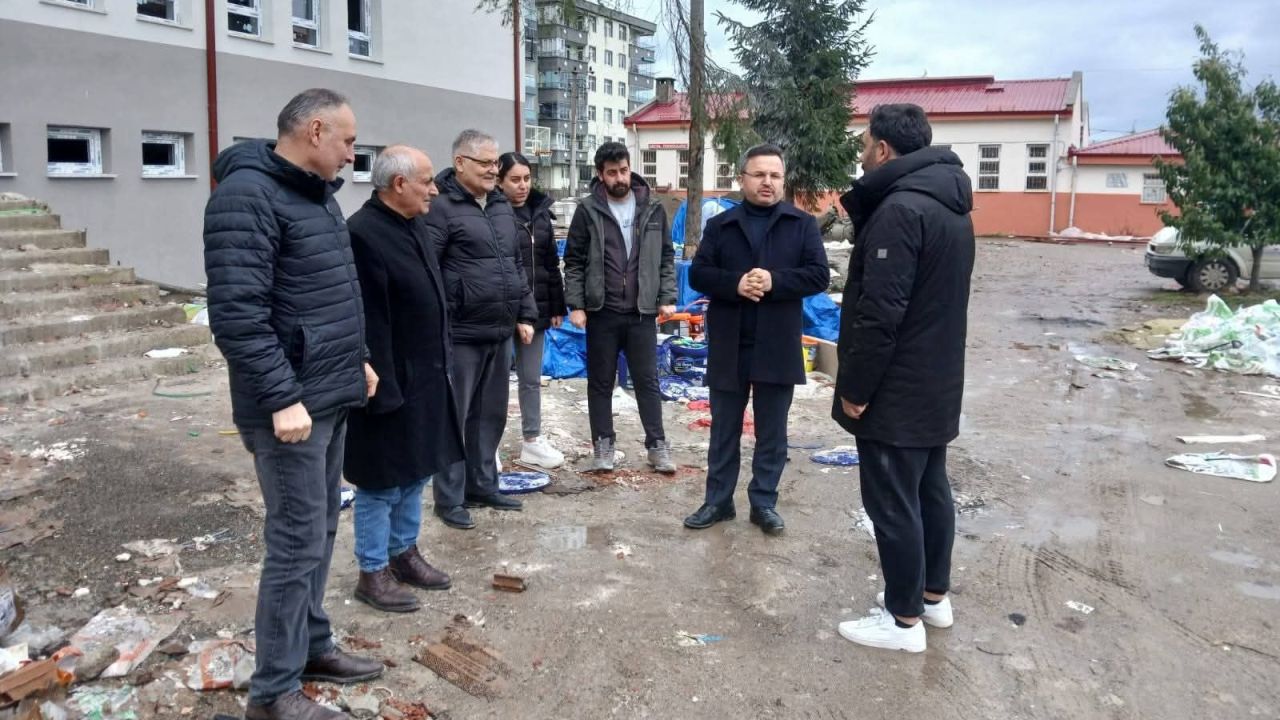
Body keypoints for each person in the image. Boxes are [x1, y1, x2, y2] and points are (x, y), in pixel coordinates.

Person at [204, 88, 383, 720]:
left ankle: (311, 646)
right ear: (314, 132)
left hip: (327, 395)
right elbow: (236, 316)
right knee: (294, 541)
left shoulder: (315, 197)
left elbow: (332, 292)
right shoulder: (247, 196)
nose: (353, 155)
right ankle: (274, 693)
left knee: (321, 531)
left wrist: (357, 357)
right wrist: (281, 397)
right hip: (289, 408)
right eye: (349, 141)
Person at [831, 103, 975, 653]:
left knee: (893, 500)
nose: (863, 153)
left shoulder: (900, 209)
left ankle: (902, 620)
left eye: (866, 143)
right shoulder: (951, 204)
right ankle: (933, 599)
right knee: (931, 490)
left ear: (884, 150)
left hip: (898, 385)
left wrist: (857, 389)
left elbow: (879, 314)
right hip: (936, 379)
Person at [683, 144, 829, 535]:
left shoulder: (800, 224)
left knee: (772, 432)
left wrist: (775, 281)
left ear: (783, 180)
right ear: (742, 178)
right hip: (730, 341)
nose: (768, 182)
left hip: (777, 344)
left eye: (775, 175)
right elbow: (698, 275)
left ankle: (763, 503)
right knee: (724, 429)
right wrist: (735, 283)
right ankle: (718, 501)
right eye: (759, 175)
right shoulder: (722, 226)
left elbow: (818, 276)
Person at [343, 146, 460, 612]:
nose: (435, 189)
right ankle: (372, 572)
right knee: (381, 482)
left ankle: (403, 553)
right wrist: (382, 385)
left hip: (426, 375)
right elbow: (369, 319)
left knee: (417, 470)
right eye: (427, 181)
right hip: (387, 382)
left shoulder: (414, 225)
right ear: (398, 185)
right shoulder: (363, 234)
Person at [425, 130, 538, 530]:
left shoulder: (502, 207)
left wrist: (525, 313)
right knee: (455, 417)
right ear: (460, 164)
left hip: (499, 328)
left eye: (495, 163)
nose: (495, 170)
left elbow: (515, 265)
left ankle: (483, 484)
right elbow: (429, 270)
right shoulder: (439, 207)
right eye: (486, 163)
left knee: (489, 415)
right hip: (460, 332)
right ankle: (450, 497)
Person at [563, 141, 677, 473]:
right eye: (612, 172)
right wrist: (576, 304)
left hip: (642, 312)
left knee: (647, 381)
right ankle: (603, 445)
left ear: (630, 168)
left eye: (624, 170)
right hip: (602, 312)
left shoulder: (653, 208)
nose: (619, 178)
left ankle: (657, 445)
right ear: (601, 175)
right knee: (600, 382)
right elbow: (573, 261)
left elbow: (667, 257)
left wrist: (667, 297)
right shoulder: (588, 211)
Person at [497, 152, 567, 470]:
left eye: (526, 178)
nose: (522, 185)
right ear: (499, 181)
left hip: (536, 308)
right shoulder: (492, 214)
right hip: (499, 311)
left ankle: (532, 440)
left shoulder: (540, 213)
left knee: (530, 379)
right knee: (494, 381)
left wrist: (555, 305)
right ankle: (489, 445)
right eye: (515, 179)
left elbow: (551, 263)